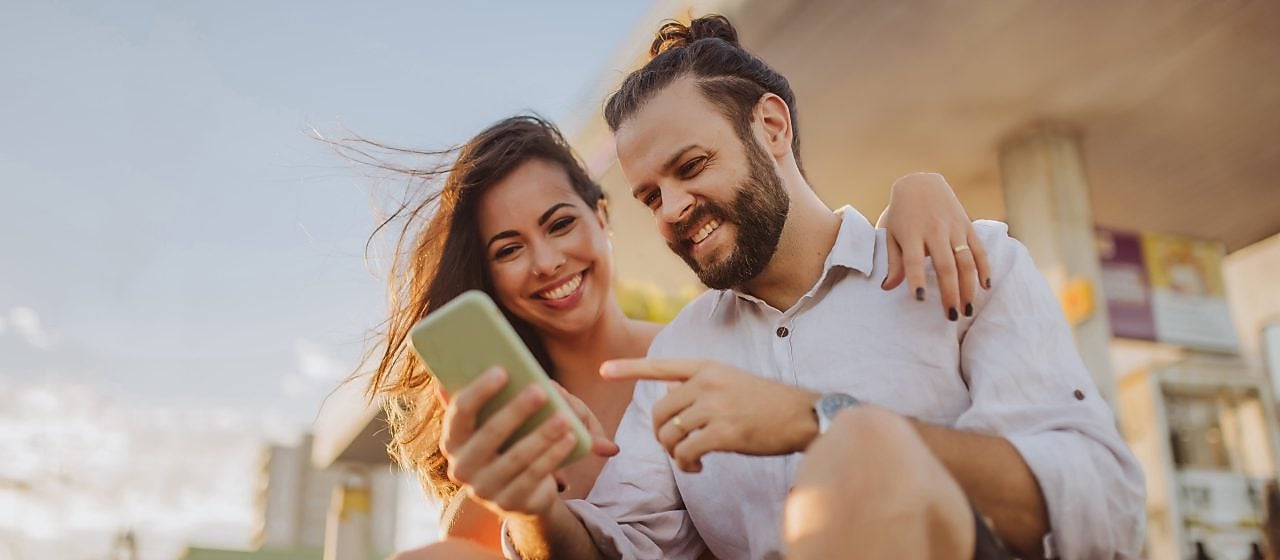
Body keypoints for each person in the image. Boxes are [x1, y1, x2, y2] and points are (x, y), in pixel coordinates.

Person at [443, 15, 1147, 560]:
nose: (675, 207)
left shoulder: (961, 259)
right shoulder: (678, 356)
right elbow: (629, 547)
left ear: (771, 127)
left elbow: (1107, 509)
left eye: (692, 166)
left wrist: (820, 417)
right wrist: (532, 509)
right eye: (651, 196)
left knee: (865, 444)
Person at [352, 115, 990, 560]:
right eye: (510, 248)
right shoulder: (508, 440)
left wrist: (914, 190)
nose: (546, 261)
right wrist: (523, 506)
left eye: (560, 223)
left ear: (603, 218)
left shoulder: (713, 347)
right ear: (488, 274)